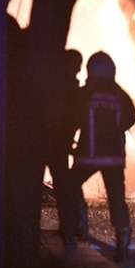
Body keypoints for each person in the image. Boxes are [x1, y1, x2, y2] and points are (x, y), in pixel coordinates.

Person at [68, 51, 135, 262]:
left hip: (88, 154)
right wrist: (118, 129)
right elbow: (132, 116)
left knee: (70, 183)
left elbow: (72, 118)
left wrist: (69, 142)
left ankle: (80, 224)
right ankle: (123, 246)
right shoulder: (120, 94)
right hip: (114, 157)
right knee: (116, 199)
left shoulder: (85, 93)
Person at [47, 49, 88, 249]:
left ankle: (69, 230)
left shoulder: (61, 87)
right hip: (57, 145)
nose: (78, 69)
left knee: (63, 188)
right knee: (63, 188)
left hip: (55, 144)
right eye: (76, 65)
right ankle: (70, 231)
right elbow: (75, 118)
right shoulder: (67, 89)